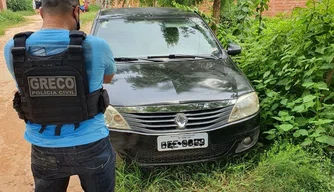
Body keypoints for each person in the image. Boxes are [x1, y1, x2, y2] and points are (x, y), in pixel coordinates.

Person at [3, 0, 117, 191]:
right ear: (76, 11)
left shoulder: (14, 48)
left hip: (44, 148)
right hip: (91, 144)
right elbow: (108, 78)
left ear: (41, 12)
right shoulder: (97, 46)